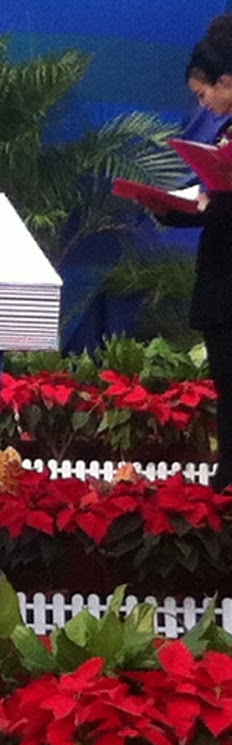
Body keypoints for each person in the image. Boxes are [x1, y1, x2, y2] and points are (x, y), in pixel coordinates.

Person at [153, 16, 232, 489]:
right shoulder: (227, 134)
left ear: (226, 81)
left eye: (205, 95)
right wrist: (171, 209)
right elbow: (215, 207)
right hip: (221, 279)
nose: (204, 104)